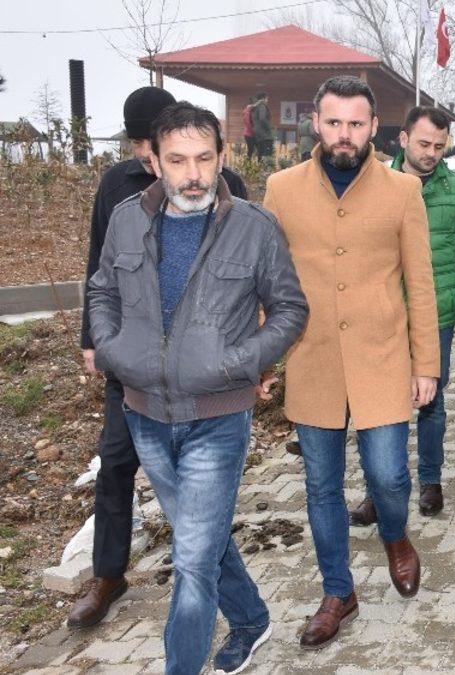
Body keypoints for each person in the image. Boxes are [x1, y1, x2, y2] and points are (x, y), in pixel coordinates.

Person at [88, 101, 307, 675]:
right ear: (153, 161)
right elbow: (102, 290)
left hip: (217, 416)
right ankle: (252, 619)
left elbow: (289, 309)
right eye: (178, 160)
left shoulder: (254, 227)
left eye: (205, 159)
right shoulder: (126, 219)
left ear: (222, 157)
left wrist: (243, 361)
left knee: (190, 560)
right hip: (145, 414)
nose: (193, 174)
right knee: (199, 539)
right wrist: (112, 349)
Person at [262, 75, 440, 649]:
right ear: (315, 122)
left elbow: (421, 285)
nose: (345, 133)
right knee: (321, 486)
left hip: (382, 356)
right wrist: (261, 357)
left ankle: (396, 534)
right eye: (334, 122)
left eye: (356, 123)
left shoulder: (402, 191)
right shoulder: (281, 189)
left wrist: (426, 365)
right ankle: (338, 592)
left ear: (373, 127)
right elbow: (266, 280)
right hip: (311, 357)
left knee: (389, 476)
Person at [71, 86, 249, 633]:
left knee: (197, 490)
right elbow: (99, 269)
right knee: (115, 461)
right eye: (144, 149)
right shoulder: (116, 187)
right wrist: (94, 340)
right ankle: (108, 574)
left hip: (202, 372)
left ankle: (228, 595)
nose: (151, 158)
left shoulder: (225, 187)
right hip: (133, 360)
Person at [342, 106, 455, 523]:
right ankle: (378, 490)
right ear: (403, 139)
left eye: (439, 147)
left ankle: (430, 481)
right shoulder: (370, 185)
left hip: (435, 313)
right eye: (424, 144)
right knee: (376, 403)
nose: (431, 153)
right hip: (380, 314)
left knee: (431, 401)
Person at [250, 91, 273, 162]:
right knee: (266, 153)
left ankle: (260, 166)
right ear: (263, 98)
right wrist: (269, 127)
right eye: (267, 99)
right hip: (264, 133)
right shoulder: (261, 106)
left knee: (260, 152)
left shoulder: (254, 107)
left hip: (257, 133)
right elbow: (262, 118)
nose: (267, 100)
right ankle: (266, 166)